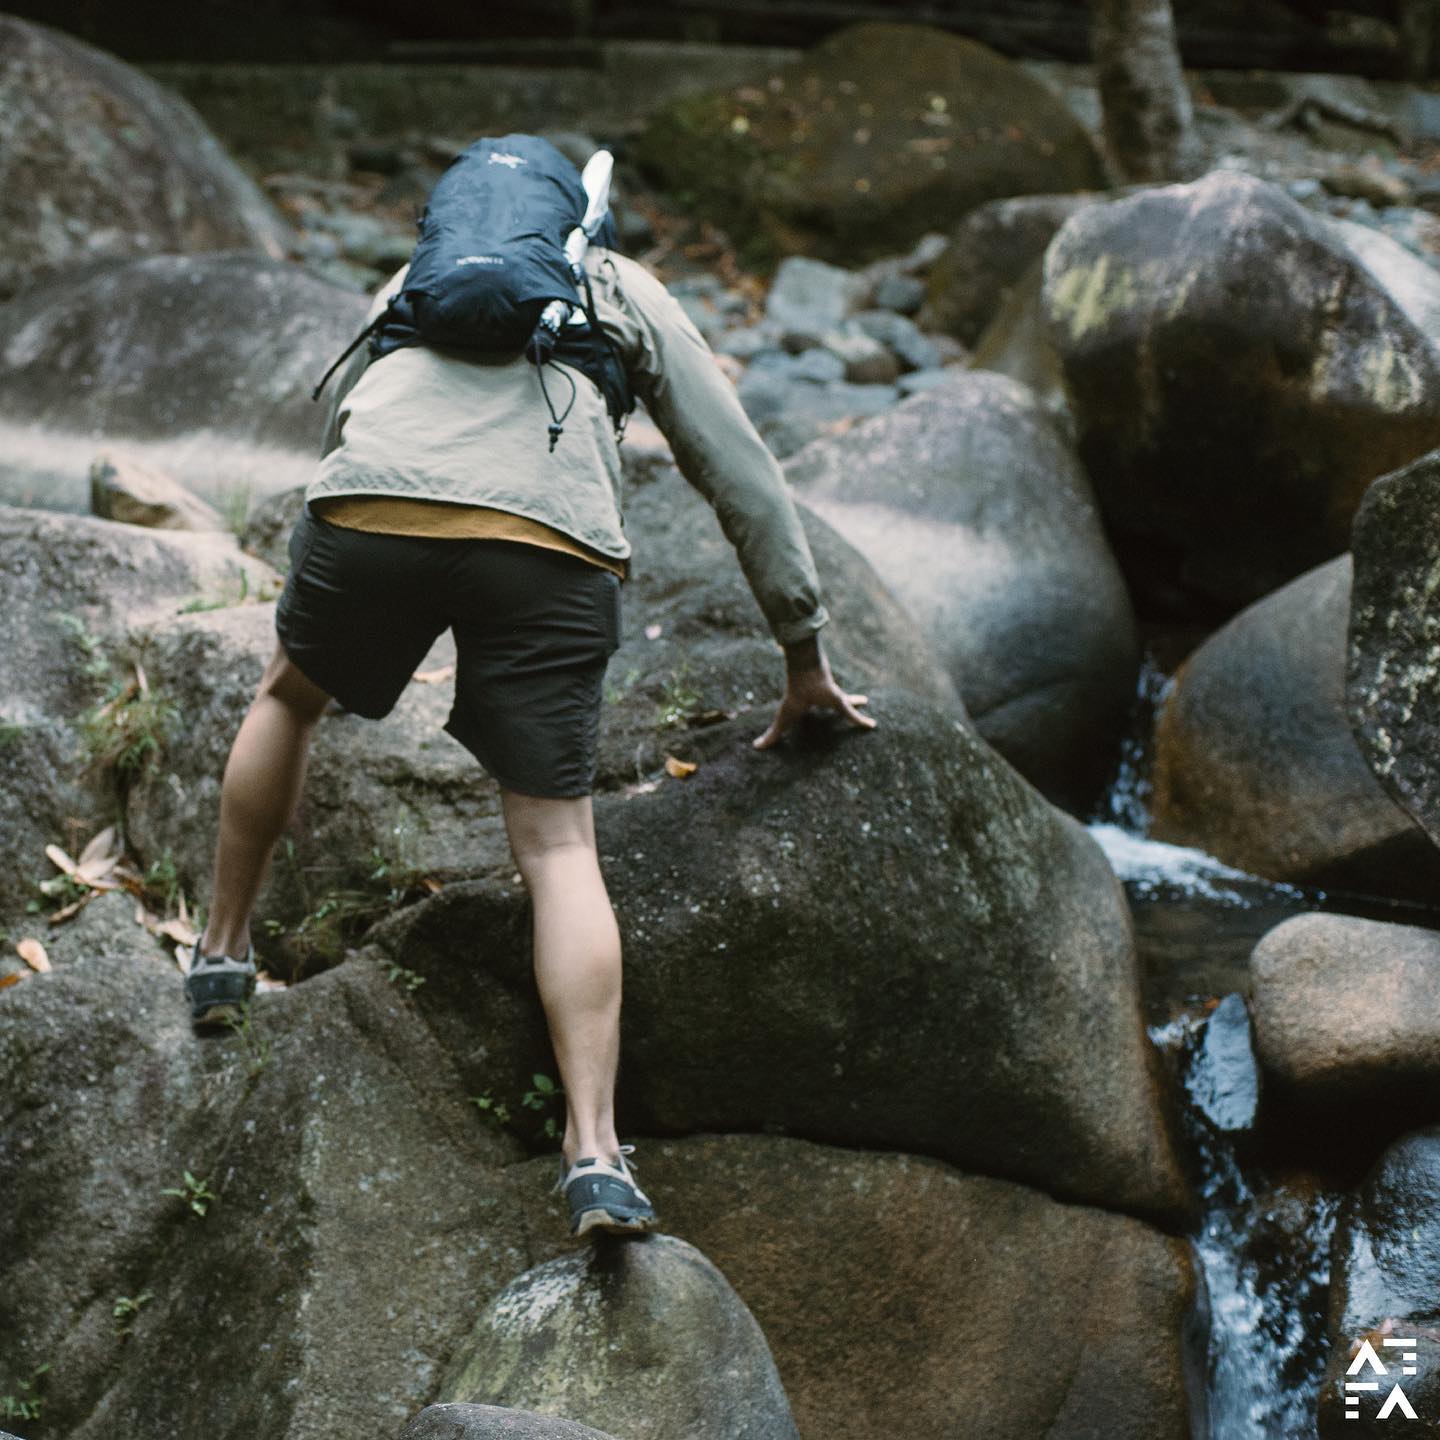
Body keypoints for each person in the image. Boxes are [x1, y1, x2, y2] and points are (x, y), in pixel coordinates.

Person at [182, 160, 875, 1238]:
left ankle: (220, 959)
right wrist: (804, 650)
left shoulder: (414, 282)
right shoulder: (618, 288)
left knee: (288, 694)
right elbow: (735, 467)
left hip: (367, 518)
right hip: (548, 550)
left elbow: (346, 430)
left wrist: (351, 552)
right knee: (557, 847)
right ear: (580, 215)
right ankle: (595, 1156)